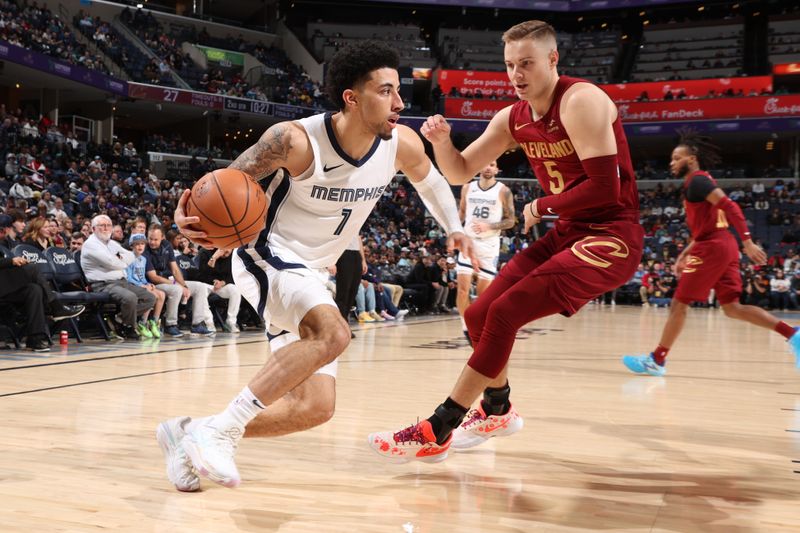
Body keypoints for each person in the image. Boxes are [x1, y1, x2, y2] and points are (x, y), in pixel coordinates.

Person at [156, 41, 477, 491]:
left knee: (315, 408)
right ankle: (219, 432)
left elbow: (431, 182)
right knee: (335, 334)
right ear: (352, 97)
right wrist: (182, 215)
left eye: (399, 91)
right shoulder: (294, 141)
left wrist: (455, 227)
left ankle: (190, 432)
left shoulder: (401, 143)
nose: (400, 103)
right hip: (268, 254)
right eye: (386, 91)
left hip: (312, 272)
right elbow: (221, 185)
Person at [367, 20, 643, 462]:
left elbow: (605, 190)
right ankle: (497, 409)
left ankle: (439, 426)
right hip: (567, 234)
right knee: (478, 315)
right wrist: (441, 142)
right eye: (511, 65)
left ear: (553, 60)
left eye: (527, 64)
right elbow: (458, 171)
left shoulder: (582, 100)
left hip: (611, 237)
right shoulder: (511, 117)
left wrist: (540, 207)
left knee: (506, 311)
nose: (517, 74)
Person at [622, 131, 800, 376]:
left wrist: (747, 241)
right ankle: (793, 334)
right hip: (721, 244)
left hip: (714, 247)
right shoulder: (697, 184)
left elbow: (730, 206)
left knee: (678, 303)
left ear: (692, 159)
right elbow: (706, 228)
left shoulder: (697, 181)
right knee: (732, 307)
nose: (671, 163)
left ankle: (657, 360)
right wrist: (686, 252)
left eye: (676, 158)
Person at [455, 160, 515, 344]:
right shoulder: (467, 188)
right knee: (463, 289)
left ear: (497, 169)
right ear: (480, 167)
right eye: (486, 163)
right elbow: (462, 213)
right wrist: (454, 232)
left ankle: (480, 325)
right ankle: (466, 327)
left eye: (493, 164)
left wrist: (489, 225)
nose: (488, 167)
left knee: (484, 296)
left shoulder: (503, 191)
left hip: (489, 246)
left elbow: (511, 221)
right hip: (469, 243)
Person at [80, 215, 156, 340]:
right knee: (130, 297)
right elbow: (111, 262)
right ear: (93, 229)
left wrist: (120, 261)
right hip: (103, 284)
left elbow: (131, 256)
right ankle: (128, 327)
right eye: (102, 226)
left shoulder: (111, 243)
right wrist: (120, 262)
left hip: (121, 282)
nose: (105, 228)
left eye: (108, 225)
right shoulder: (90, 244)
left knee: (149, 298)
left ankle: (119, 319)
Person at [143, 225, 213, 337]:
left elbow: (175, 270)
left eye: (155, 239)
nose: (152, 242)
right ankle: (171, 324)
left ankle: (197, 324)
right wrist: (177, 285)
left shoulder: (167, 245)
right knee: (175, 289)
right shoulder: (145, 249)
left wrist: (184, 285)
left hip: (167, 280)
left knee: (199, 287)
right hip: (154, 284)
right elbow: (153, 277)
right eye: (150, 238)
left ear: (162, 238)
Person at [125, 233, 164, 338]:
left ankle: (154, 322)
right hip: (131, 285)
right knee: (152, 295)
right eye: (137, 244)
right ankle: (142, 323)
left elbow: (142, 277)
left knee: (161, 294)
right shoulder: (128, 258)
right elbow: (128, 278)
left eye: (142, 244)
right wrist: (142, 286)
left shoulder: (144, 259)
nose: (140, 246)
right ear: (131, 246)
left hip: (142, 284)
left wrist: (148, 283)